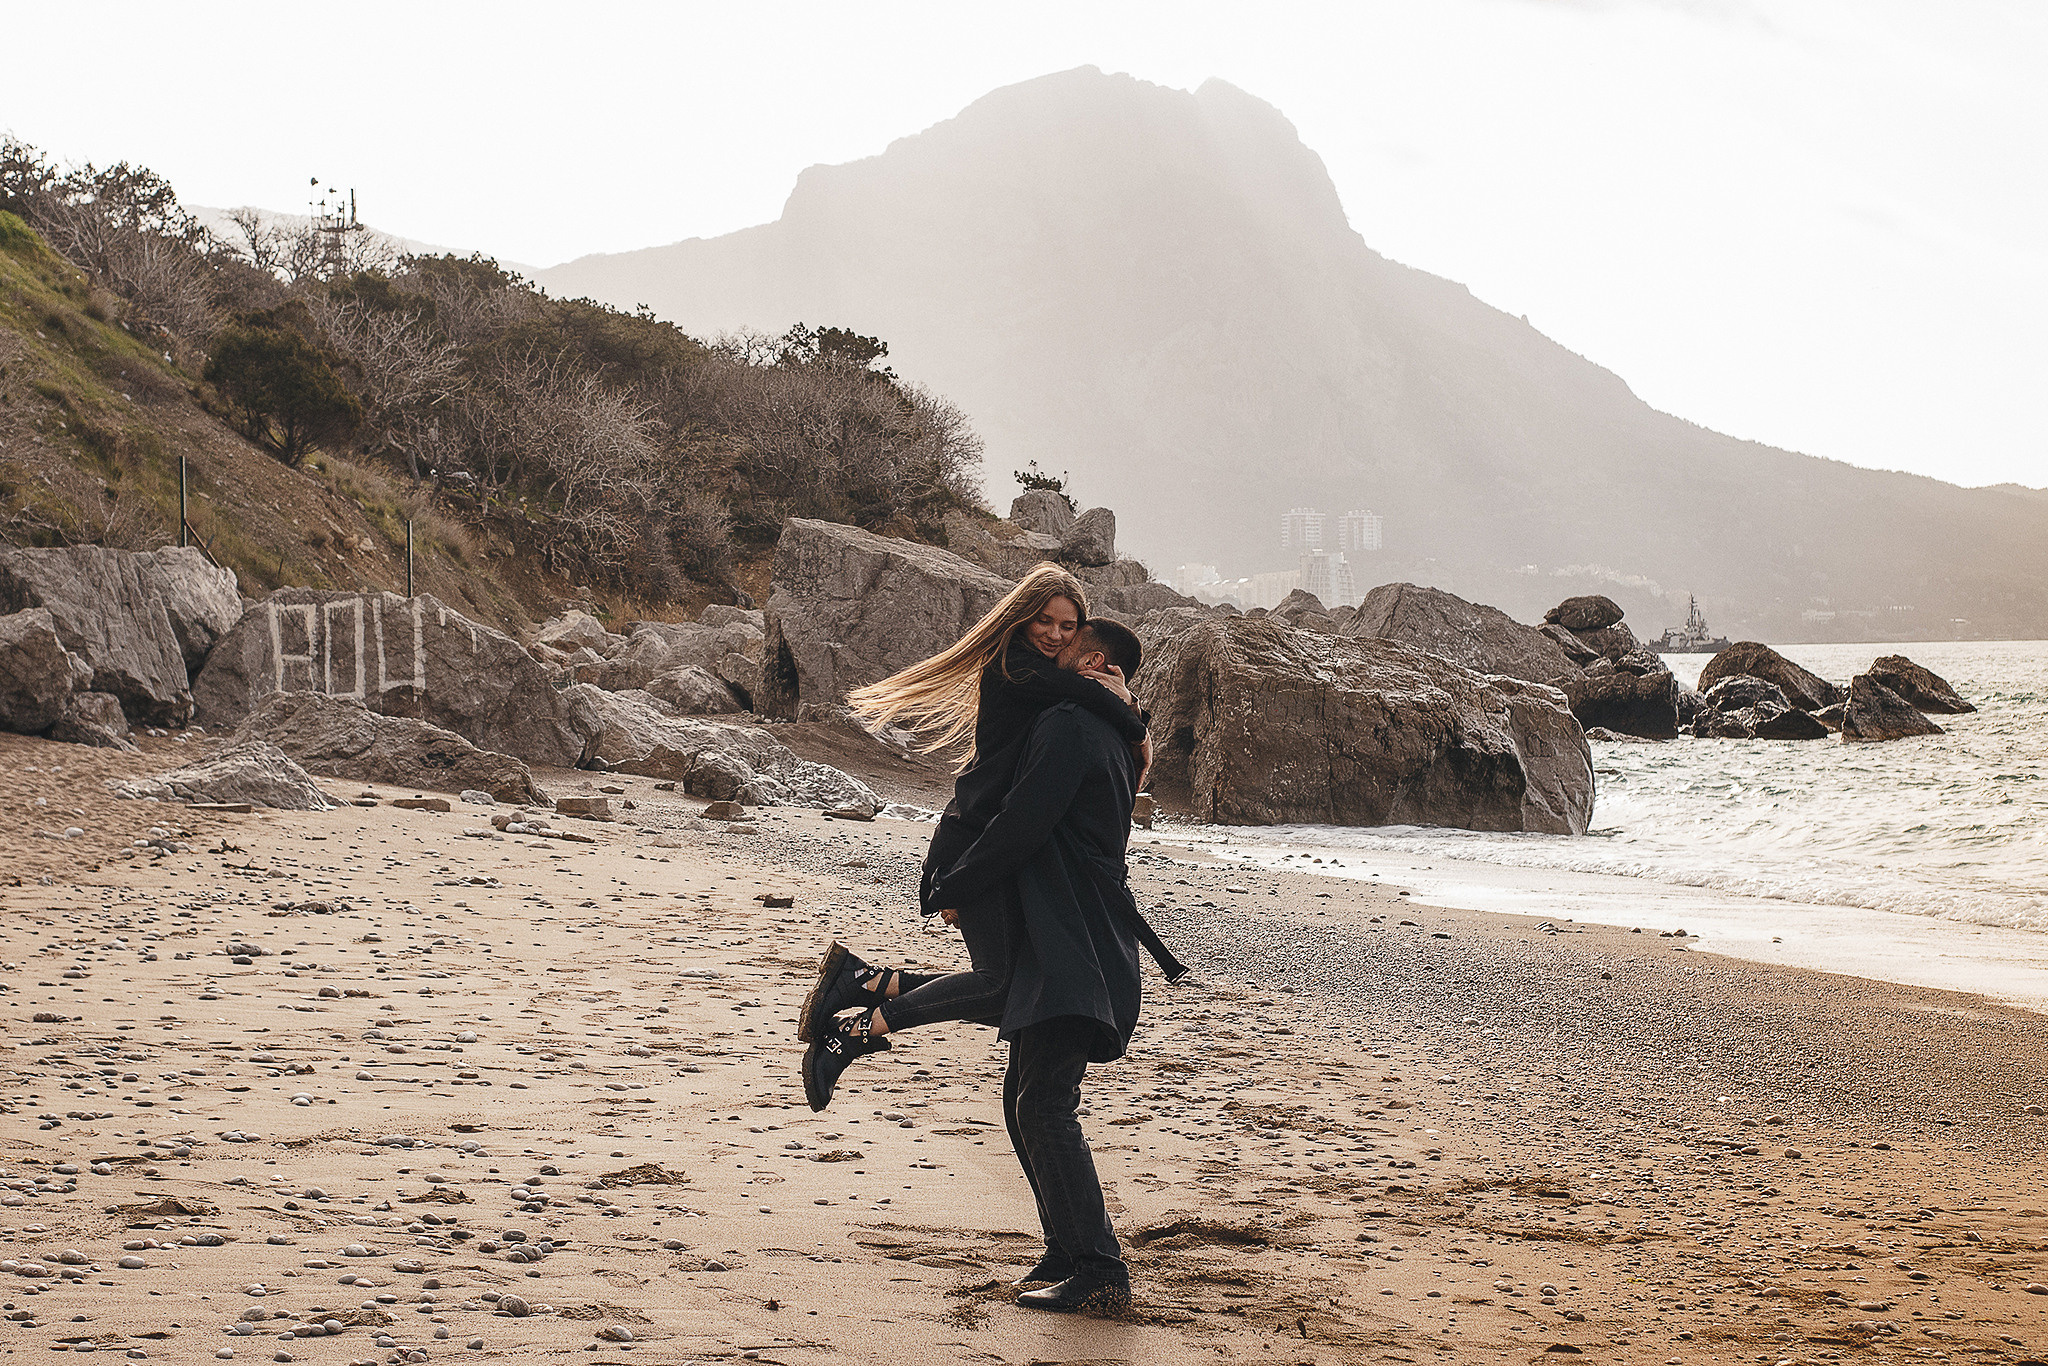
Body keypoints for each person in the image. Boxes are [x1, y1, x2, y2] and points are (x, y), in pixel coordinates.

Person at [796, 564, 1148, 1109]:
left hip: (992, 848)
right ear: (1021, 616)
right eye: (1044, 620)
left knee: (1015, 985)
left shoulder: (1050, 687)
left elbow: (1087, 711)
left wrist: (1125, 713)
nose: (1054, 634)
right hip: (976, 846)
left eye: (1067, 626)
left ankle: (863, 982)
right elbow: (1095, 701)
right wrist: (1133, 716)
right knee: (1006, 986)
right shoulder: (1014, 668)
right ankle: (860, 1027)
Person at [922, 616, 1152, 1313]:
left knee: (1046, 1104)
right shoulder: (1106, 728)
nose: (1052, 653)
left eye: (1069, 646)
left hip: (1073, 945)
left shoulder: (1070, 726)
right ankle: (1065, 1246)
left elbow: (1022, 822)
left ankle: (1102, 1273)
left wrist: (952, 885)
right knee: (1025, 1097)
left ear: (1098, 661)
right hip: (1073, 937)